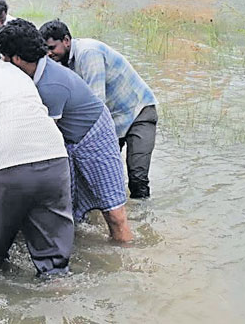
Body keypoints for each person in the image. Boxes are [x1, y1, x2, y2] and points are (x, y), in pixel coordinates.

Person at [0, 19, 132, 242]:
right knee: (70, 207)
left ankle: (126, 260)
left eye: (4, 56)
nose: (2, 61)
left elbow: (45, 139)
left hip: (94, 135)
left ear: (17, 59)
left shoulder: (51, 84)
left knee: (113, 211)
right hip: (69, 137)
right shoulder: (34, 74)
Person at [0, 34, 74, 275]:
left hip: (6, 162)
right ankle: (58, 287)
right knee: (54, 258)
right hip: (55, 155)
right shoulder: (18, 73)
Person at [40, 20, 158, 199]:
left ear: (66, 40)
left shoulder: (89, 54)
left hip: (137, 113)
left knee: (138, 177)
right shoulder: (61, 62)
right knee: (101, 175)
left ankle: (143, 220)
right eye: (45, 50)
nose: (49, 54)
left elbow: (96, 105)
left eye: (52, 48)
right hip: (113, 119)